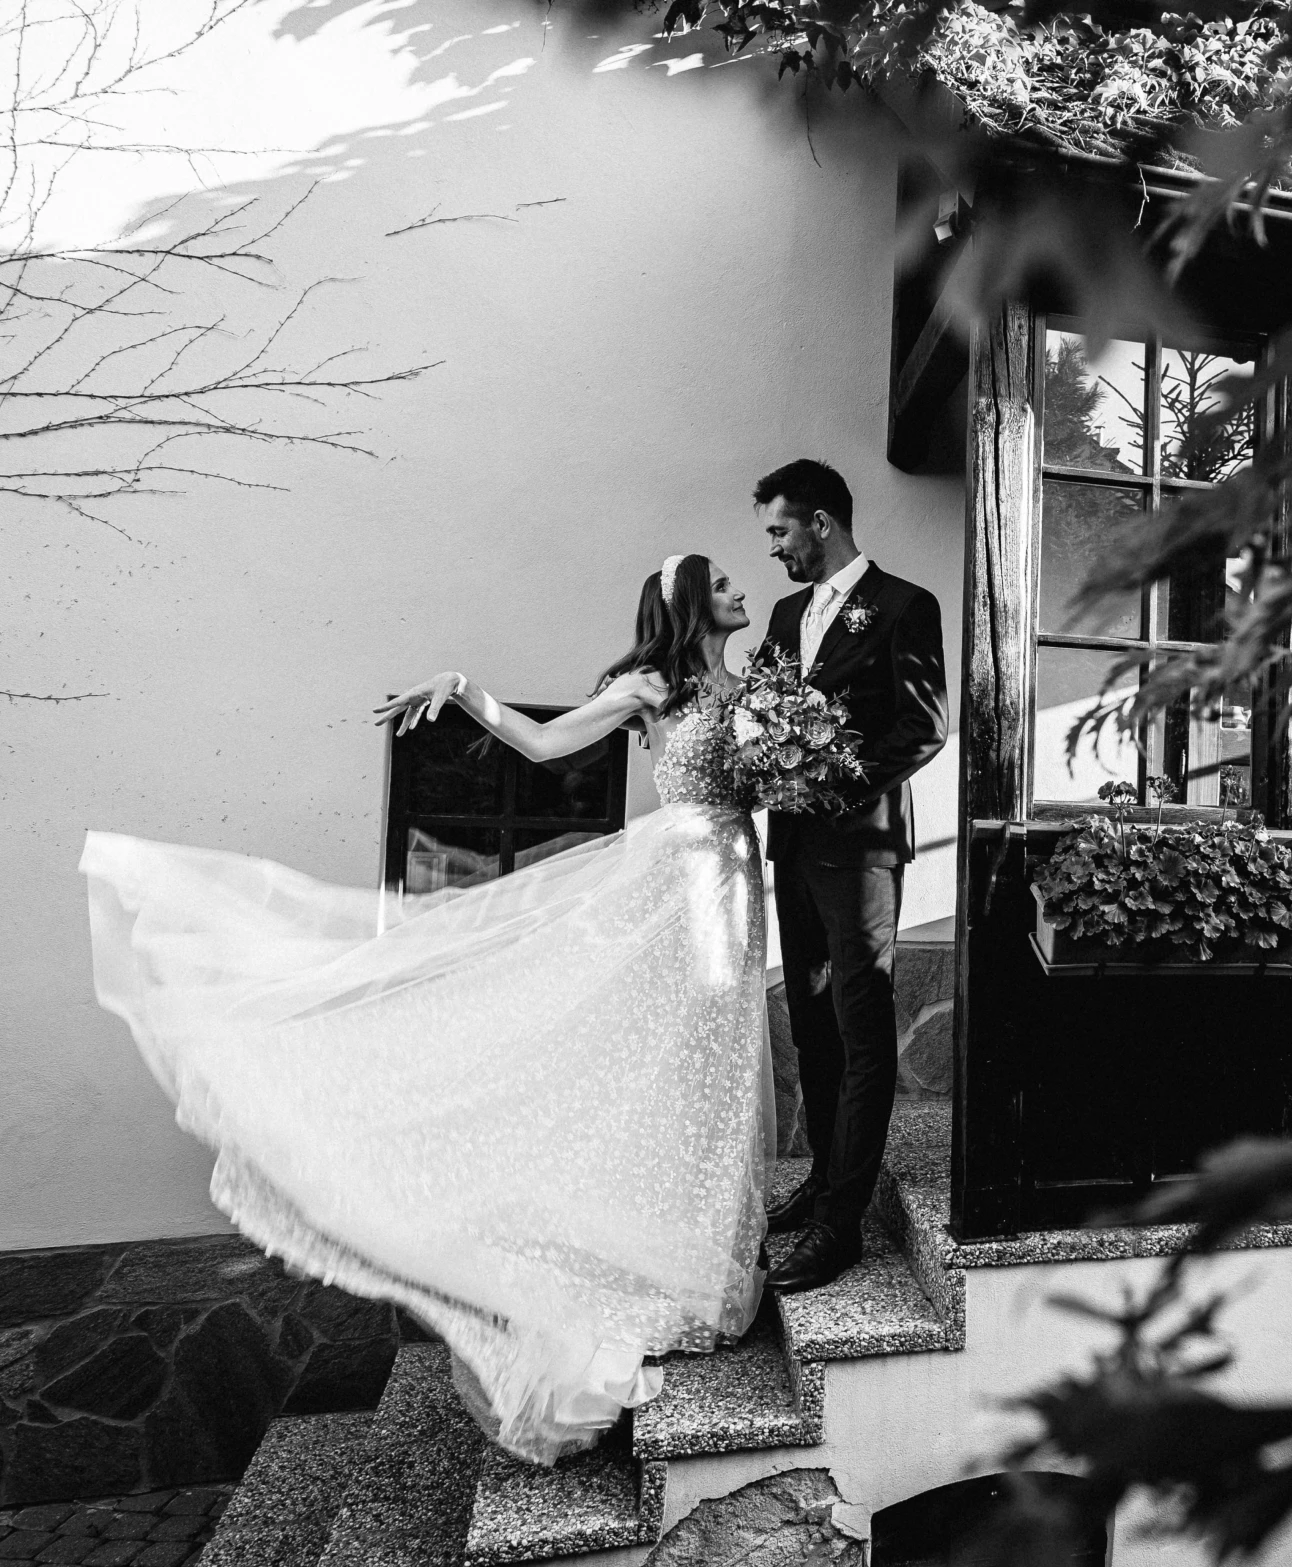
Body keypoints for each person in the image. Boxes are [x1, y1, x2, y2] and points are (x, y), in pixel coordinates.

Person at [79, 556, 772, 1464]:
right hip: (674, 889)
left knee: (716, 1069)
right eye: (720, 580)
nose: (737, 586)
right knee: (671, 1068)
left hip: (737, 880)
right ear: (690, 604)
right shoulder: (651, 687)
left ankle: (708, 1264)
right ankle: (656, 1277)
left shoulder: (759, 686)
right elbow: (545, 742)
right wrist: (465, 690)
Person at [753, 459, 948, 1293]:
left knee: (863, 1027)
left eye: (781, 531)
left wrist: (829, 778)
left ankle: (843, 1223)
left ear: (822, 522)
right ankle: (825, 1181)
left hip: (862, 847)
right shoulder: (785, 611)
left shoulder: (906, 606)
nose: (775, 549)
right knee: (811, 1020)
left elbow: (924, 726)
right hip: (793, 850)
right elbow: (760, 708)